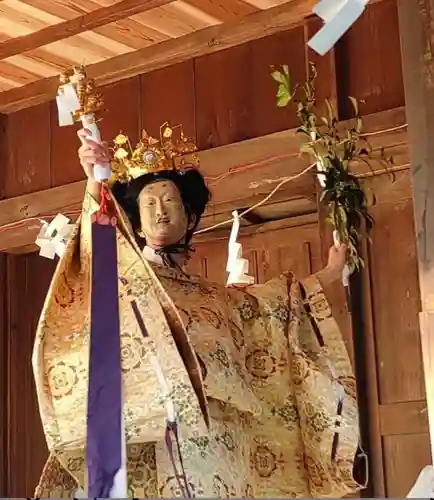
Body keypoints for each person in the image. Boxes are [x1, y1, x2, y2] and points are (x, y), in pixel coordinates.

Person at [32, 125, 366, 498]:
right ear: (136, 223)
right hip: (162, 437)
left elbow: (275, 307)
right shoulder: (127, 288)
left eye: (171, 202)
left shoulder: (217, 298)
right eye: (149, 205)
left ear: (190, 217)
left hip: (225, 442)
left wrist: (330, 273)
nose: (160, 213)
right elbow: (97, 259)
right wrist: (96, 186)